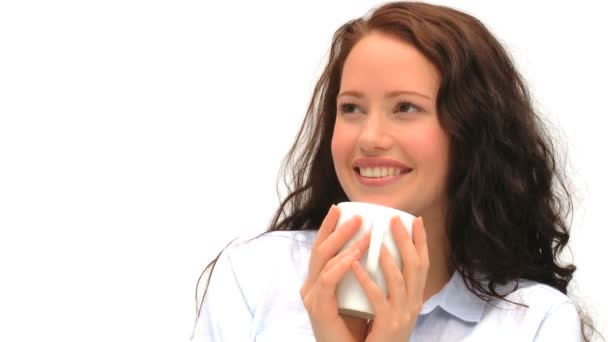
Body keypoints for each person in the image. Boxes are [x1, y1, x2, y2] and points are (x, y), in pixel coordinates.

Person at [191, 1, 600, 341]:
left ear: (472, 131)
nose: (369, 137)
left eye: (406, 108)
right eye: (351, 108)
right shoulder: (254, 278)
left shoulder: (536, 324)